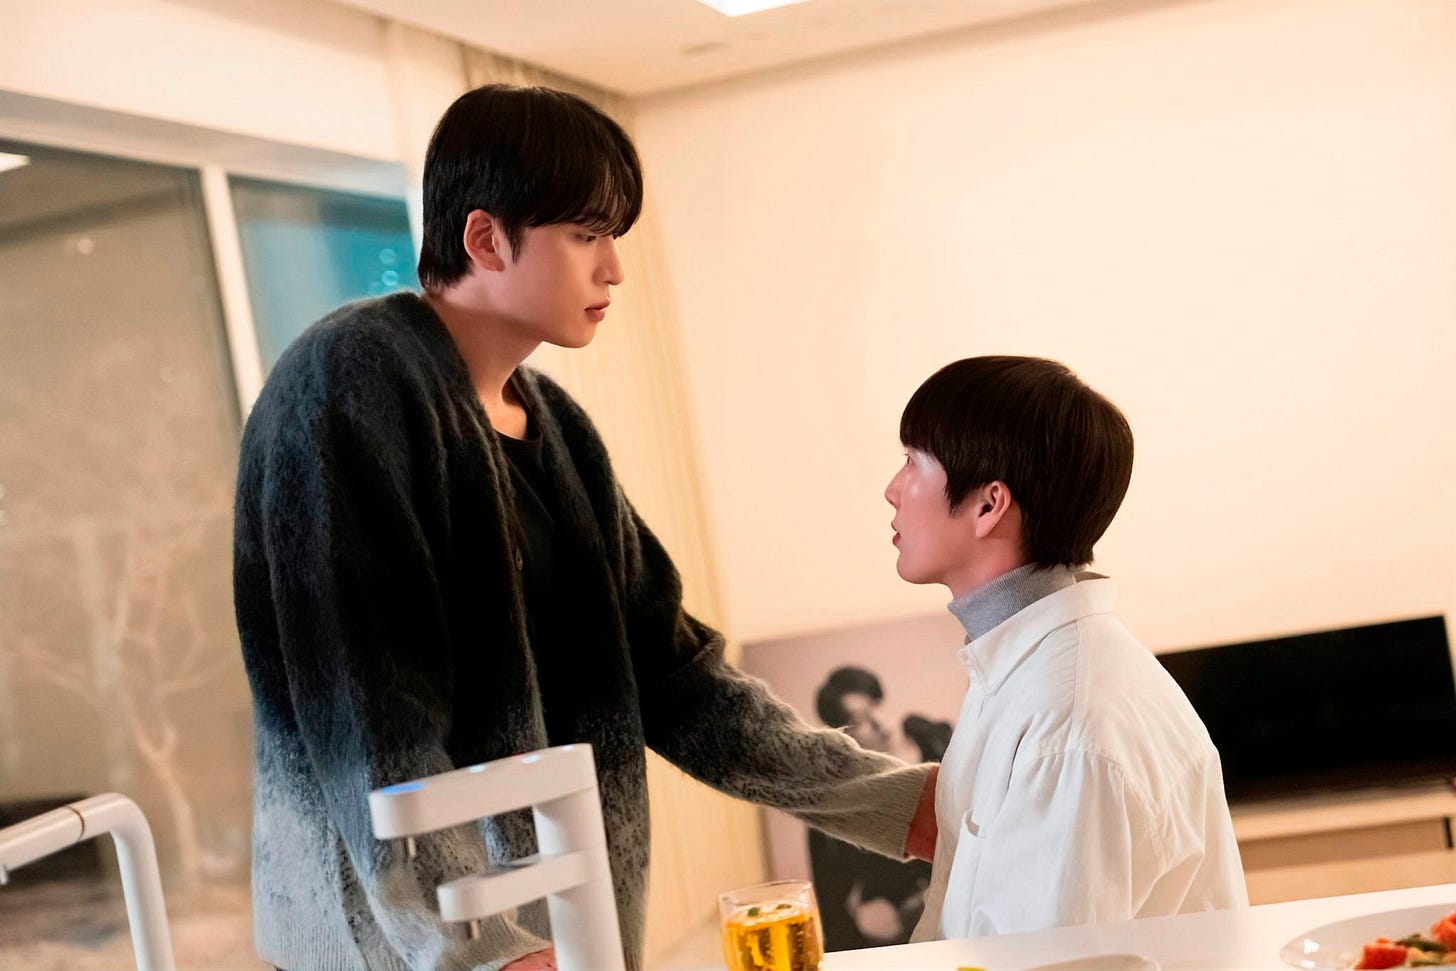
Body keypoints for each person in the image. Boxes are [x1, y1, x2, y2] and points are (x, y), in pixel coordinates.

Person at [232, 84, 936, 971]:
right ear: (485, 238)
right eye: (586, 235)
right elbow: (369, 711)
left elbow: (675, 678)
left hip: (560, 928)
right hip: (406, 948)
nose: (615, 270)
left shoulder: (557, 427)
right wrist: (482, 945)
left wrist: (895, 802)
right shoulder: (347, 382)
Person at [881, 356, 1247, 941]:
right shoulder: (1026, 669)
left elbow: (1040, 963)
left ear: (988, 505)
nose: (892, 490)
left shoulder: (1067, 723)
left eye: (912, 461)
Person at [808, 666, 950, 949]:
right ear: (843, 738)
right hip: (907, 935)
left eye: (877, 705)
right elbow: (833, 909)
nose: (882, 724)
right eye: (860, 720)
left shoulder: (936, 741)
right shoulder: (839, 806)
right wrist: (865, 914)